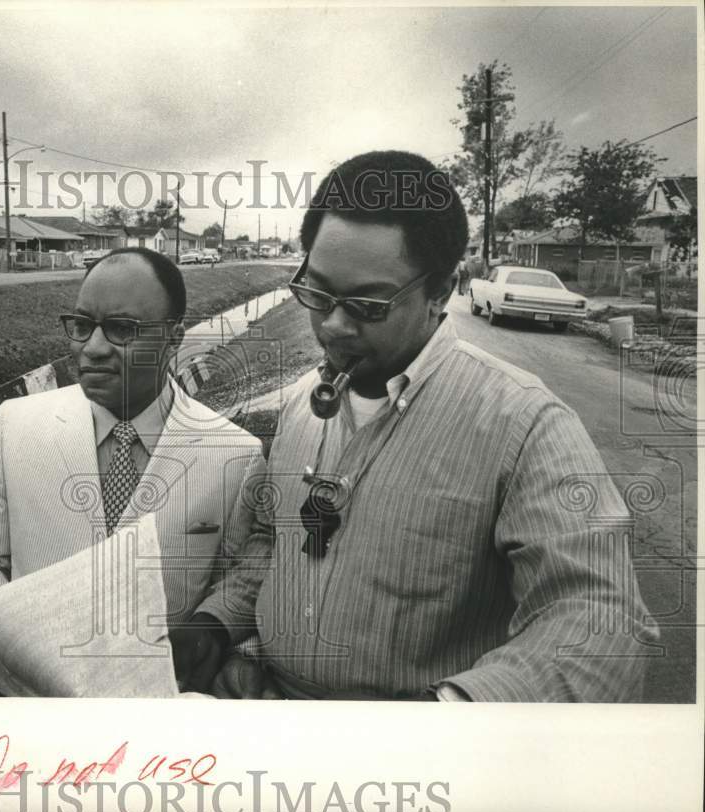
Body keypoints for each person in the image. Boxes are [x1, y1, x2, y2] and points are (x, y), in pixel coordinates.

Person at [210, 150, 658, 702]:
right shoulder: (303, 402)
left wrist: (441, 722)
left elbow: (602, 623)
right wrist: (219, 631)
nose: (333, 325)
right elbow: (271, 541)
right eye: (318, 292)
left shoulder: (524, 424)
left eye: (369, 305)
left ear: (441, 292)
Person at [0, 247, 265, 695]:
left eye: (122, 329)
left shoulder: (234, 455)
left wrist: (215, 641)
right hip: (29, 701)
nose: (92, 348)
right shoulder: (14, 427)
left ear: (174, 338)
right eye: (82, 325)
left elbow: (234, 582)